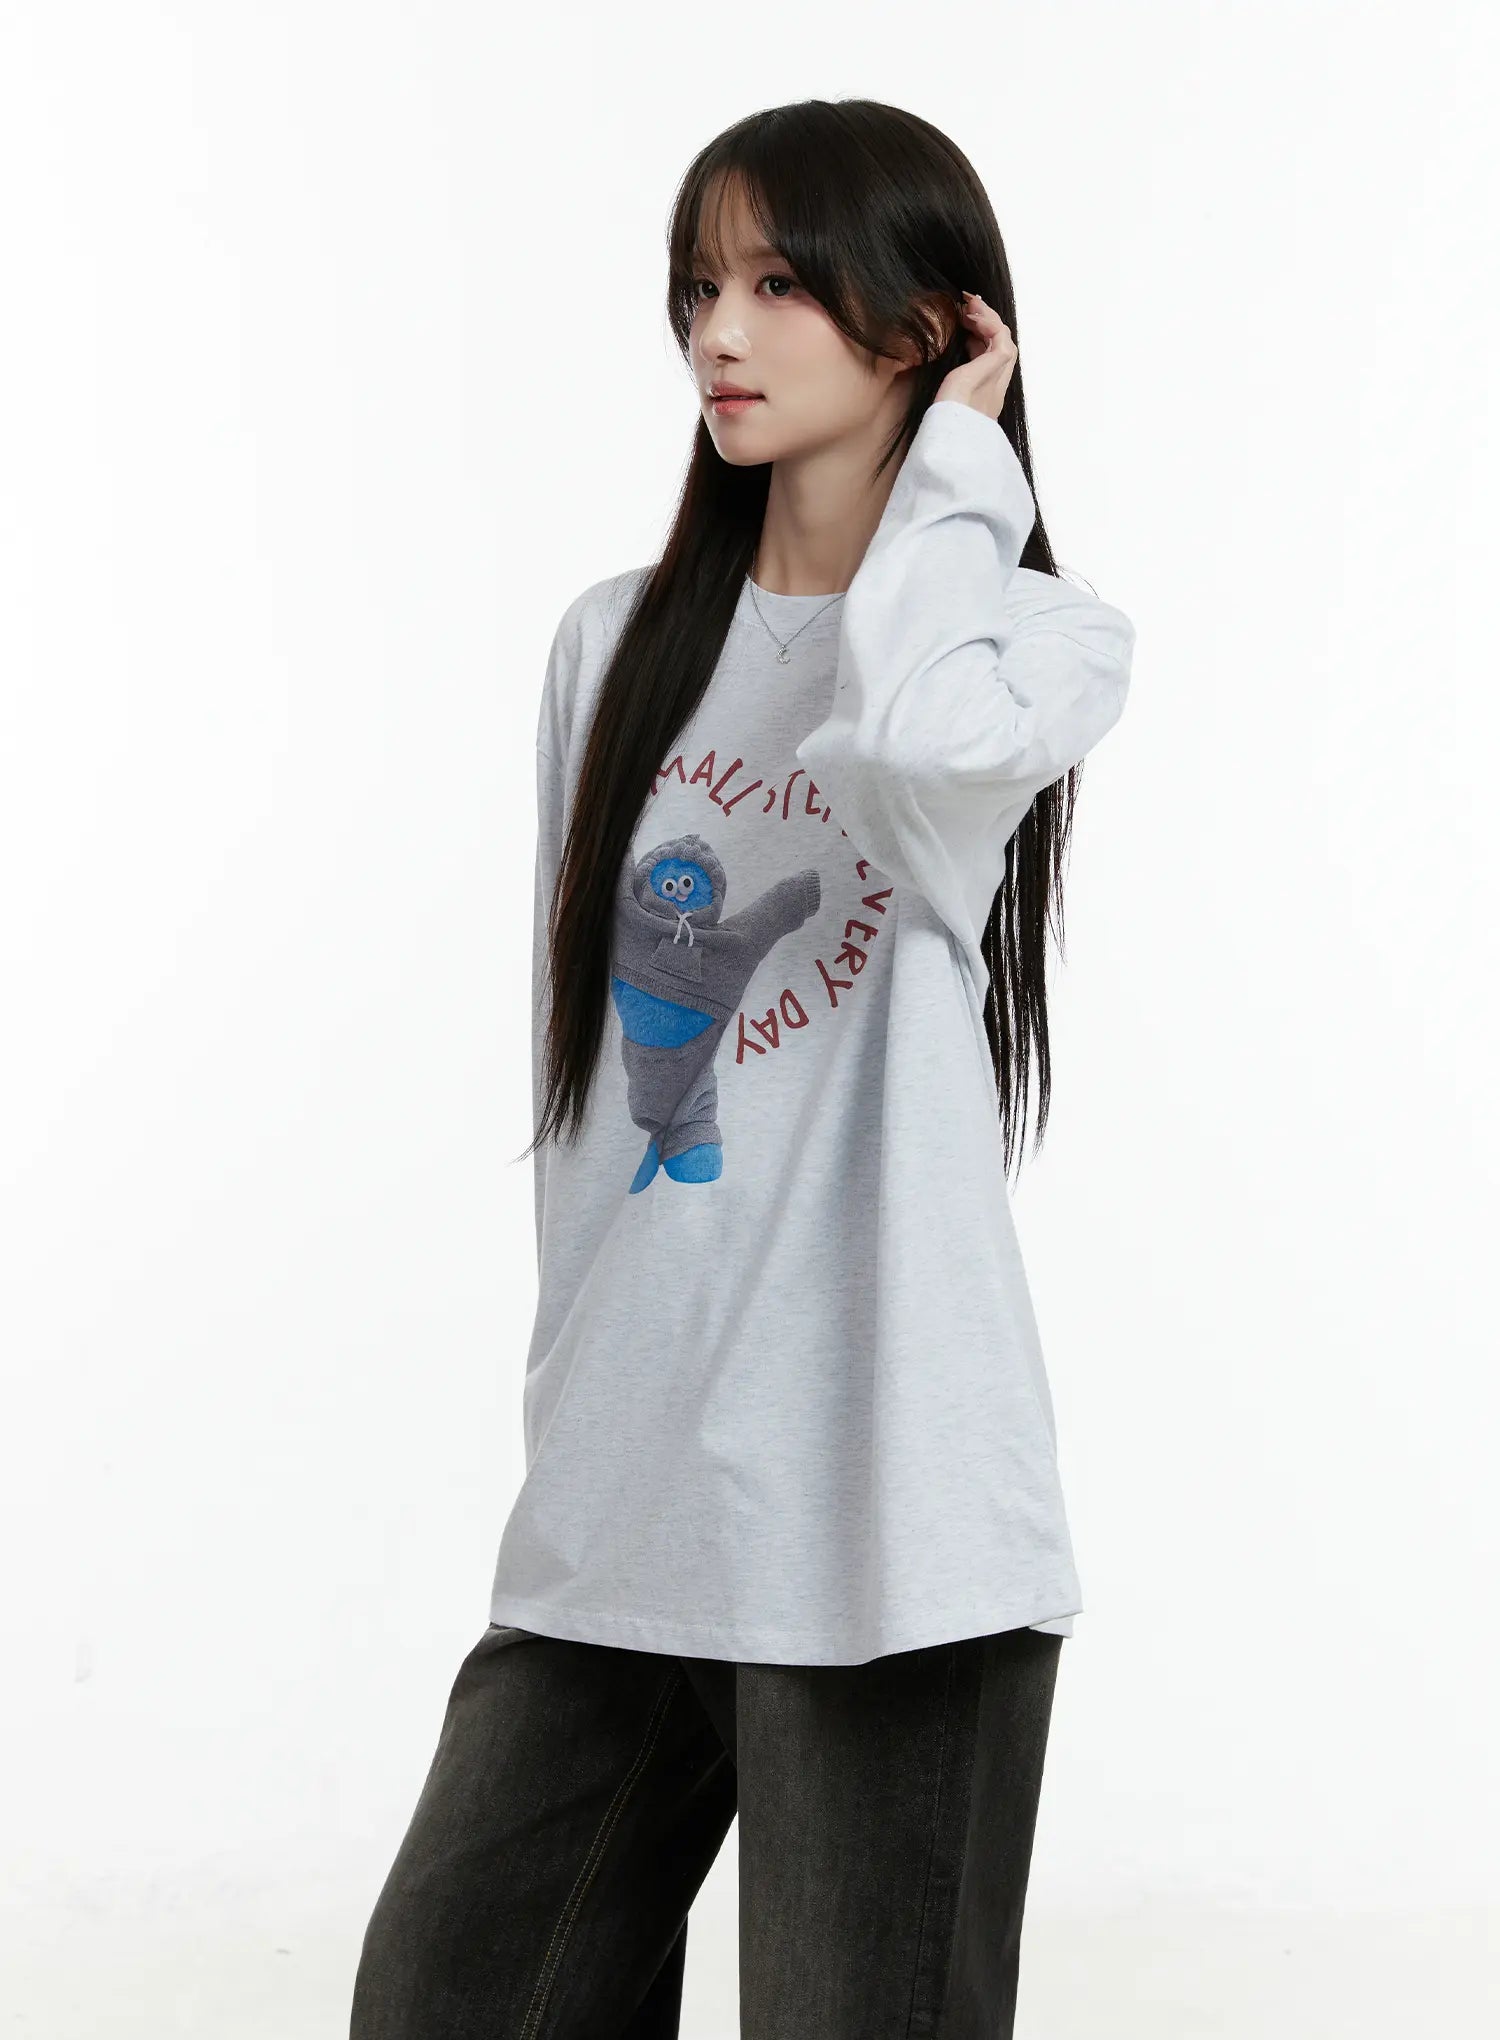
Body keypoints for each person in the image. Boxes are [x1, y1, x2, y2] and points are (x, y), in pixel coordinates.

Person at [350, 95, 1136, 2040]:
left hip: (890, 1525)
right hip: (626, 1504)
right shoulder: (611, 648)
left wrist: (960, 475)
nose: (718, 331)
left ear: (926, 328)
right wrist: (573, 1429)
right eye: (699, 286)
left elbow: (910, 742)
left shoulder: (1031, 645)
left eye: (780, 284)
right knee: (443, 1997)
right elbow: (590, 1118)